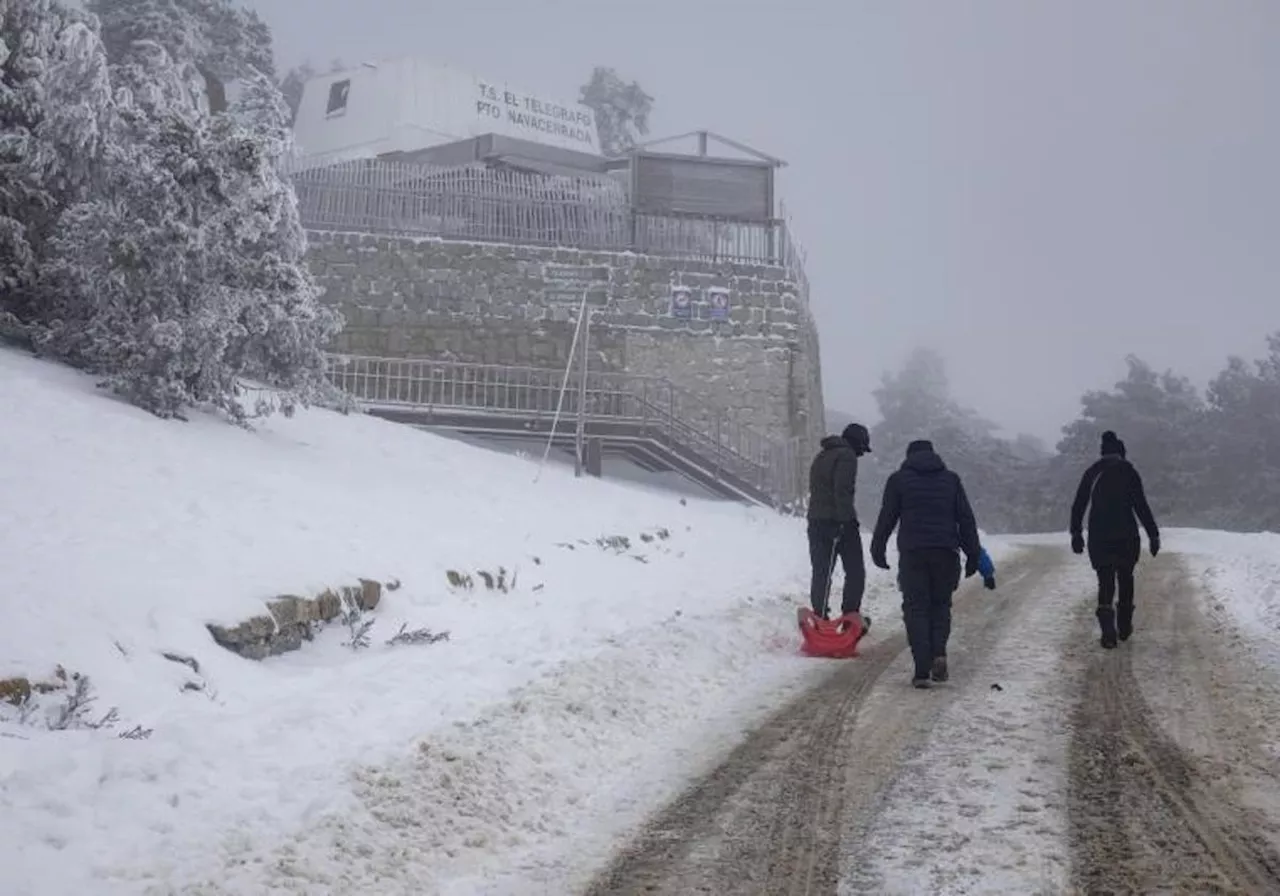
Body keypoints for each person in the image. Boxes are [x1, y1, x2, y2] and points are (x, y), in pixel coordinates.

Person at [869, 439, 991, 689]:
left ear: (908, 456)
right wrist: (973, 554)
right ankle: (939, 654)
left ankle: (922, 669)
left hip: (913, 553)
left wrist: (877, 548)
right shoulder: (951, 480)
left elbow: (887, 517)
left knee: (916, 608)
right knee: (940, 606)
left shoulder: (898, 480)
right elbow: (965, 519)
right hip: (946, 552)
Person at [1069, 430, 1160, 648]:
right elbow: (1141, 505)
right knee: (1126, 577)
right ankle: (1125, 623)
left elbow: (1079, 504)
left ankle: (1108, 629)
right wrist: (1153, 534)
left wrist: (1076, 533)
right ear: (1121, 453)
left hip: (1099, 537)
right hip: (1127, 535)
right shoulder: (1129, 472)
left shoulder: (1092, 472)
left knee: (1106, 580)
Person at [805, 423, 871, 619]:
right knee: (855, 571)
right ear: (857, 443)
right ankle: (850, 615)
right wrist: (846, 521)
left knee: (822, 572)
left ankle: (819, 615)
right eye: (862, 448)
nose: (862, 454)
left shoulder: (822, 455)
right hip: (838, 521)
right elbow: (842, 490)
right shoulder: (847, 456)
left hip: (815, 521)